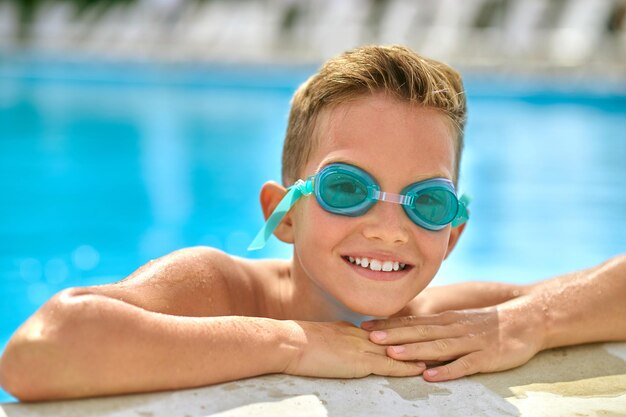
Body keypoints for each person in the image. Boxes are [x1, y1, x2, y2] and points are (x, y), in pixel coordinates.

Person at [1, 45, 625, 402]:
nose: (387, 227)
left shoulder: (440, 325)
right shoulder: (219, 290)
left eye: (426, 202)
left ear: (454, 234)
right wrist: (295, 344)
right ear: (285, 213)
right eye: (347, 189)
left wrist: (532, 320)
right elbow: (38, 352)